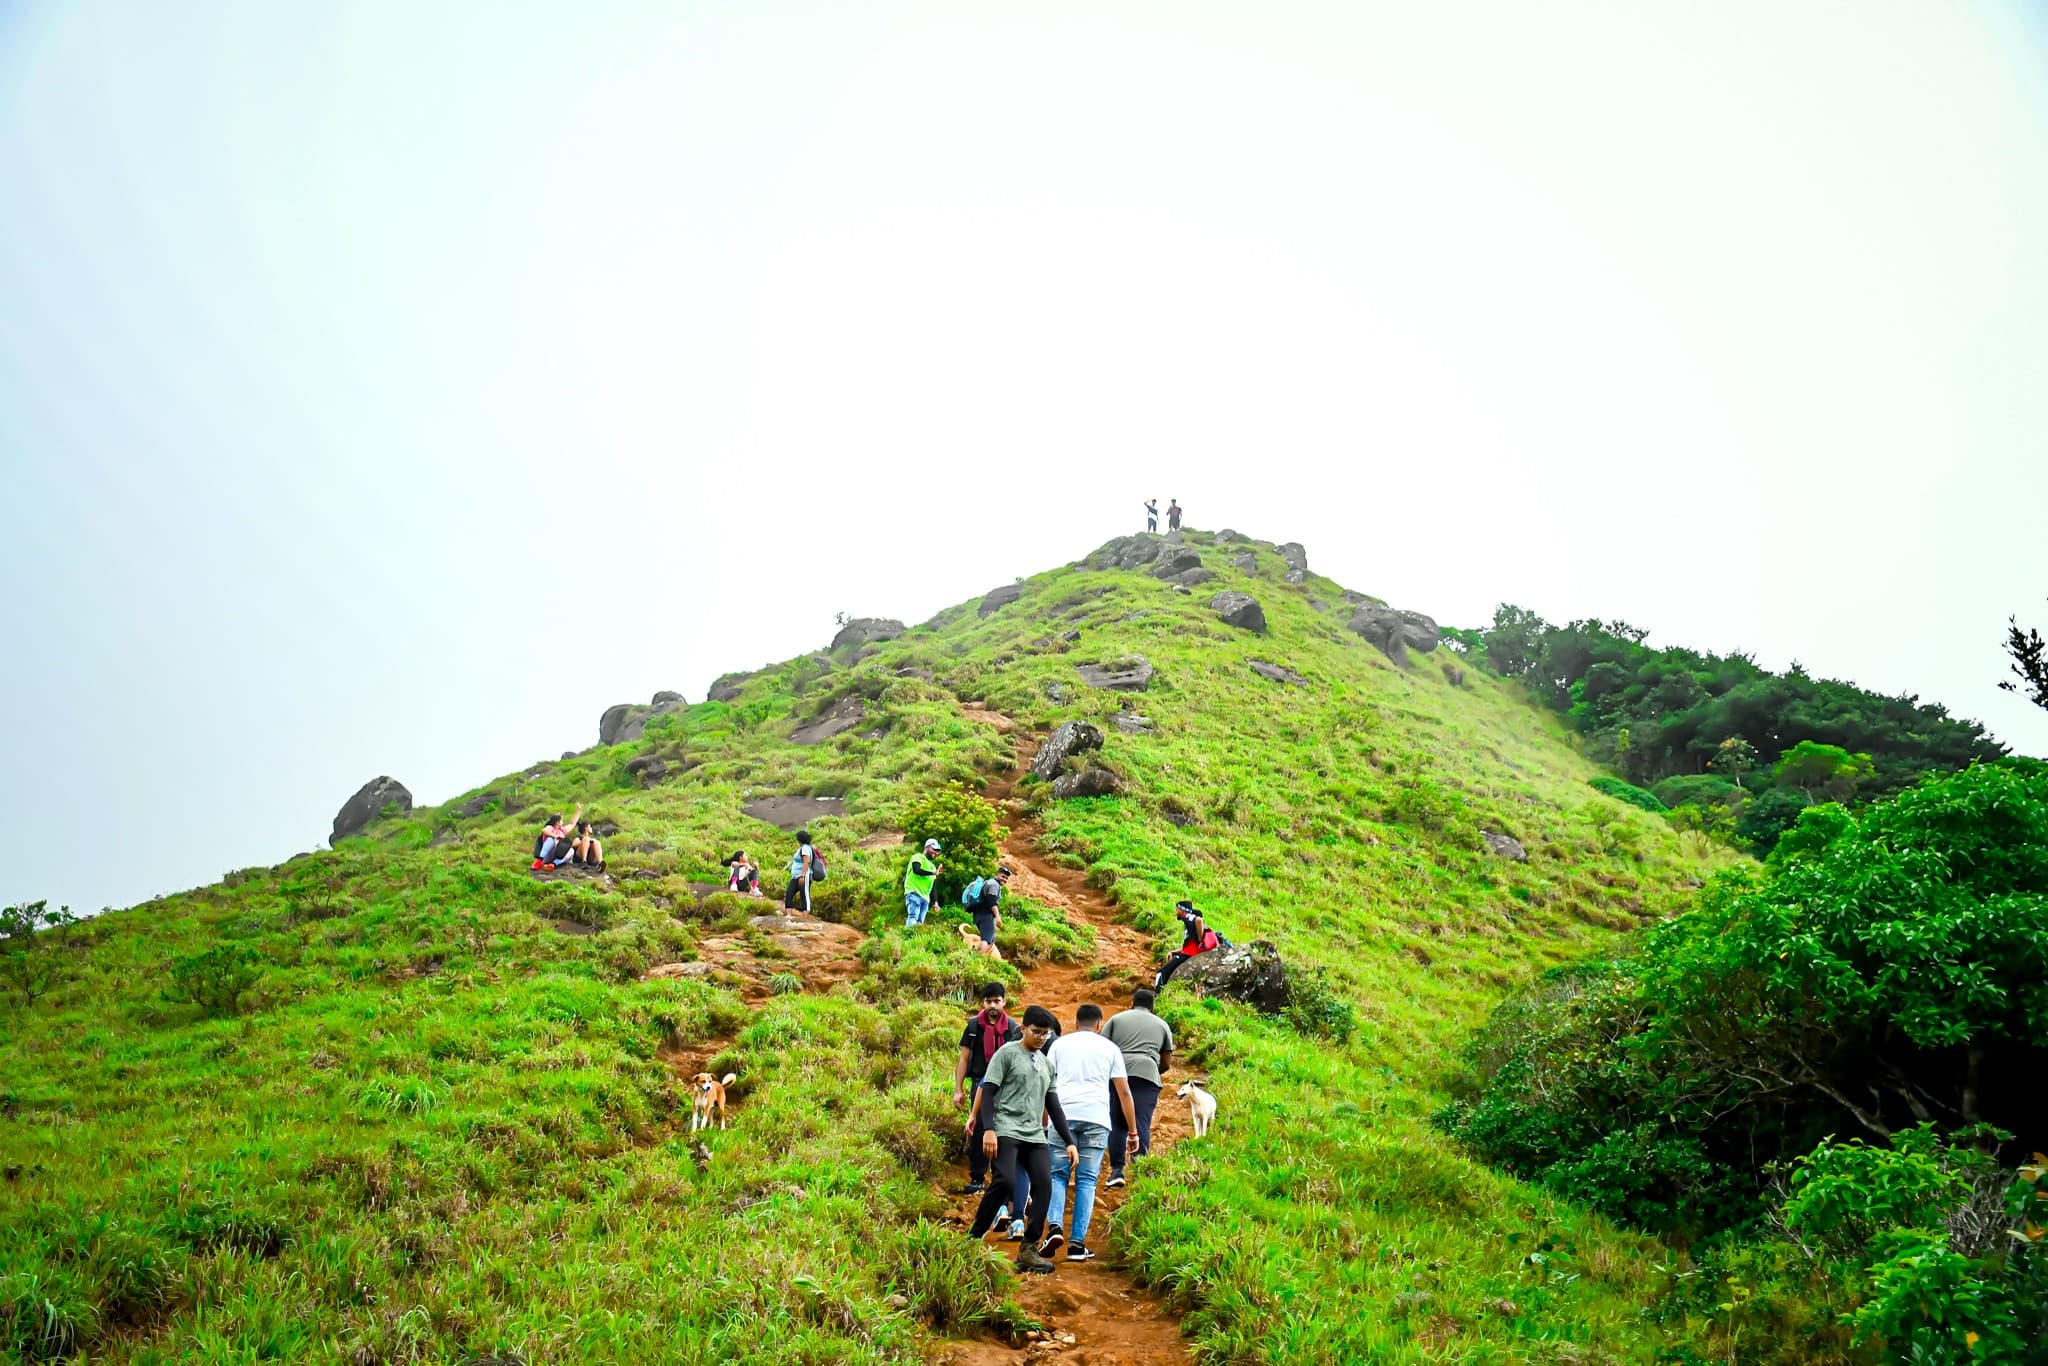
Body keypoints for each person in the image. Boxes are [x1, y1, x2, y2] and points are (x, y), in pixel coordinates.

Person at [965, 1005, 1077, 1275]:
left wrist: (1069, 1140)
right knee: (1004, 1179)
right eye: (1036, 1032)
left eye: (1045, 1034)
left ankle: (1028, 1250)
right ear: (1023, 1029)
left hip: (1034, 1134)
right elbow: (989, 1092)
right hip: (1006, 1128)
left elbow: (1054, 1104)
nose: (1040, 1038)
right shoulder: (1006, 1054)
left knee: (1044, 1185)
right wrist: (988, 1129)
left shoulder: (1047, 1064)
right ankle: (973, 1238)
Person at [1038, 1004, 1138, 1263]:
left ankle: (1055, 1227)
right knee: (1087, 1180)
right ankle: (1076, 1245)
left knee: (1058, 1175)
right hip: (1096, 1118)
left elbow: (1046, 1086)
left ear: (1075, 1022)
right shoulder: (1110, 1048)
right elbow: (1124, 1092)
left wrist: (1044, 1122)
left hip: (1063, 1116)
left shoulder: (1059, 1045)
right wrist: (1133, 1131)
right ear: (1099, 1024)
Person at [956, 982, 1023, 1198]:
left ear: (1004, 1001)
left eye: (997, 1001)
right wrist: (958, 1089)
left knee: (1004, 1129)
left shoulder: (1012, 1028)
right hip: (980, 1083)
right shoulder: (974, 1026)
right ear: (982, 1003)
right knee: (979, 1129)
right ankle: (977, 1178)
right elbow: (964, 1058)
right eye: (988, 1001)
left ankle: (999, 1177)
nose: (993, 1005)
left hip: (1006, 1086)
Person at [1103, 987, 1175, 1188]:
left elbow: (1102, 1047)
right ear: (1152, 1008)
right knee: (1141, 1122)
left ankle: (1117, 1170)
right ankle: (1141, 1171)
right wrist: (1150, 1071)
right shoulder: (1162, 1025)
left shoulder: (1116, 1019)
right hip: (1147, 1074)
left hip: (1118, 1073)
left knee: (1117, 1123)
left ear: (1132, 1004)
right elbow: (1167, 1062)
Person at [1155, 899, 1227, 989]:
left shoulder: (1188, 916)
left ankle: (1156, 994)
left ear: (1181, 910)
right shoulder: (1188, 924)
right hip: (1188, 953)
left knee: (1161, 973)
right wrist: (1173, 952)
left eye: (1177, 909)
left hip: (1189, 954)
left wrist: (1200, 938)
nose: (1176, 912)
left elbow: (1199, 920)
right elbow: (1189, 945)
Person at [966, 866, 1011, 947]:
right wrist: (998, 917)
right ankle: (981, 957)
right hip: (985, 916)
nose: (1004, 879)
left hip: (978, 915)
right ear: (997, 874)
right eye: (1003, 876)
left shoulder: (988, 882)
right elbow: (992, 901)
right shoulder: (994, 884)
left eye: (1006, 878)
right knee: (986, 939)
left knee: (990, 939)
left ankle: (985, 958)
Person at [904, 839, 942, 927]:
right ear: (927, 847)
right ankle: (906, 938)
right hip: (914, 893)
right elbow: (916, 869)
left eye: (937, 852)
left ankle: (913, 940)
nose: (936, 853)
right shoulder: (917, 857)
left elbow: (933, 887)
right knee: (913, 919)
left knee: (919, 925)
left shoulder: (932, 867)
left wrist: (936, 902)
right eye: (934, 849)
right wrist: (933, 873)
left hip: (925, 899)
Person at [531, 804, 582, 870]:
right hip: (548, 854)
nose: (562, 823)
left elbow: (572, 824)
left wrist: (578, 810)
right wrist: (555, 836)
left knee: (571, 850)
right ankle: (540, 861)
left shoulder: (562, 830)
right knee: (550, 839)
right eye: (561, 821)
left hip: (559, 854)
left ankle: (553, 864)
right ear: (557, 822)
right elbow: (544, 831)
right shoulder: (550, 828)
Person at [784, 829, 818, 911]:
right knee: (789, 893)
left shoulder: (805, 848)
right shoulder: (803, 848)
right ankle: (788, 916)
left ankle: (805, 917)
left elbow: (807, 862)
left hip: (803, 876)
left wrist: (802, 876)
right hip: (796, 876)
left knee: (804, 895)